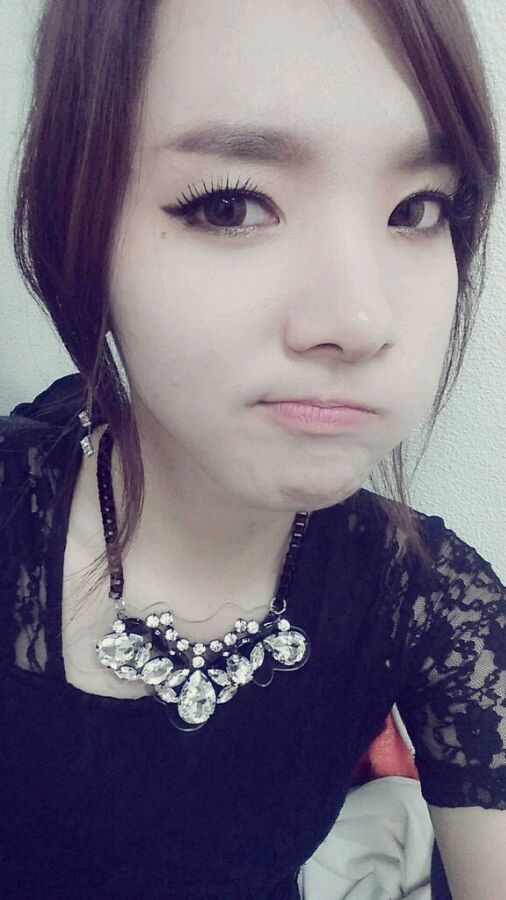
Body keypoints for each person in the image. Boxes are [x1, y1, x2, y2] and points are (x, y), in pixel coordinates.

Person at [0, 1, 504, 898]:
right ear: (80, 228)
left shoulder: (436, 603)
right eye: (231, 205)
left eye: (417, 208)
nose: (360, 320)